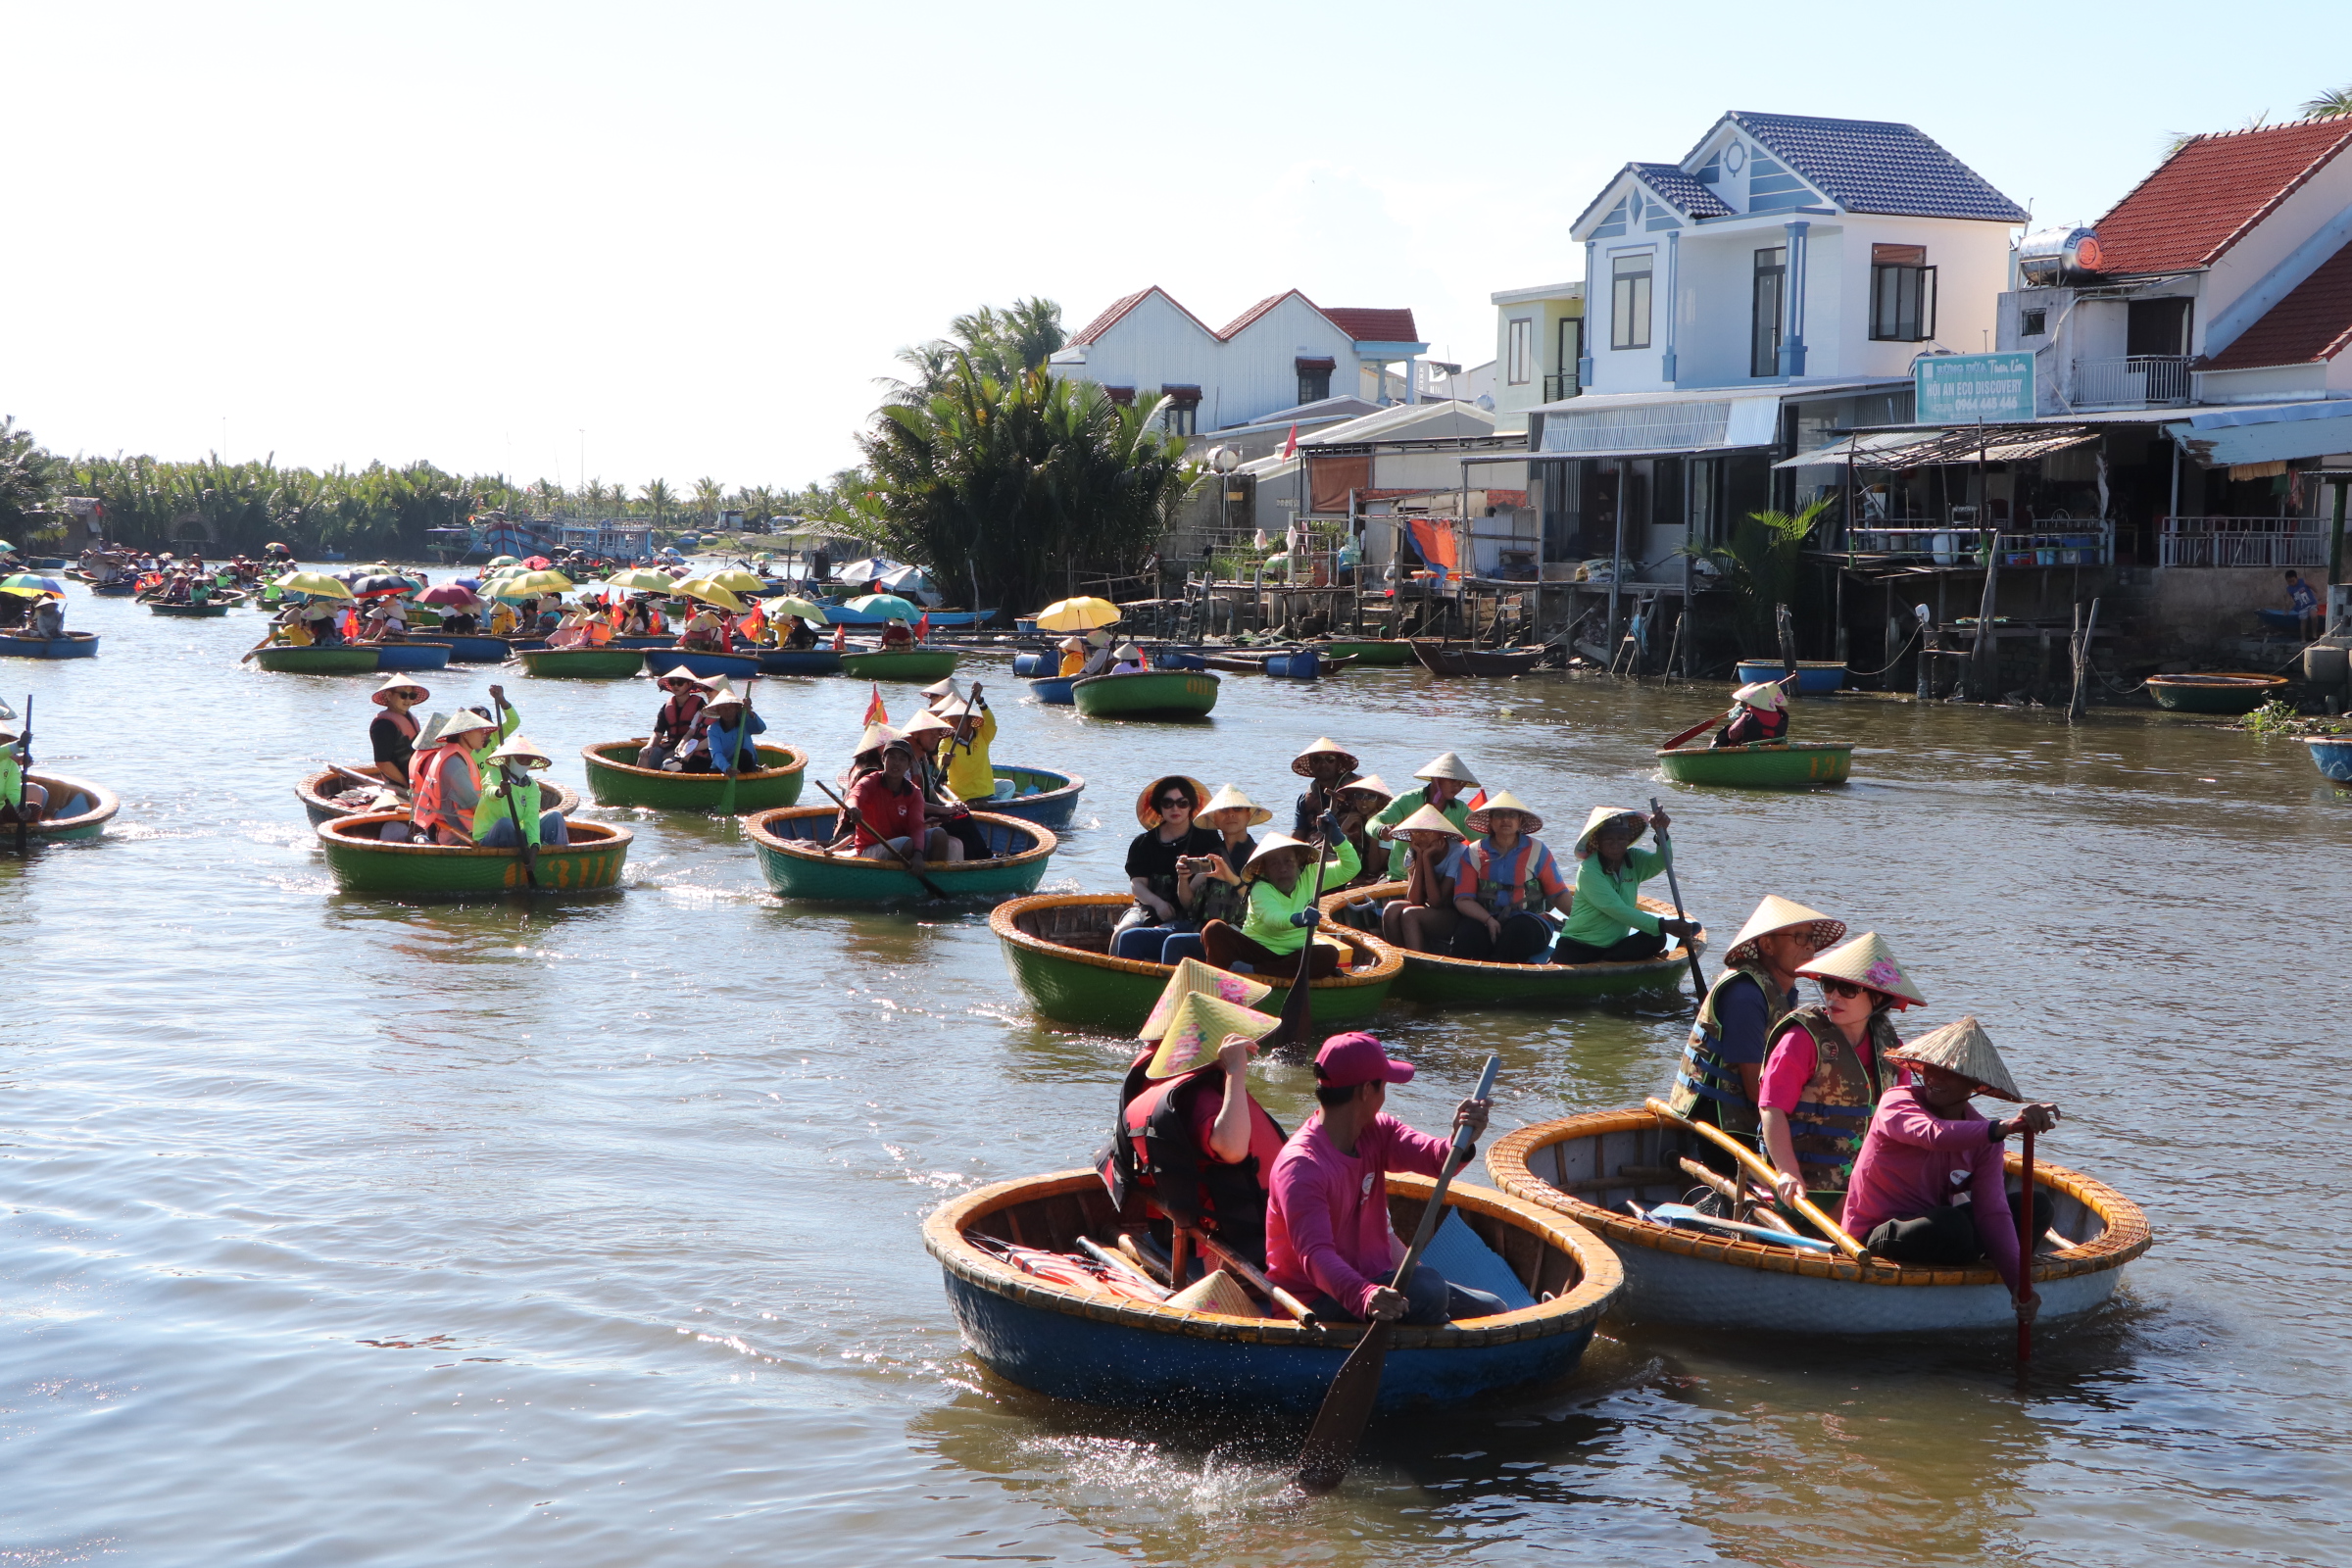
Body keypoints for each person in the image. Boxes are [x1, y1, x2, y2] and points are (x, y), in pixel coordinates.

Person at [1264, 1032, 1504, 1326]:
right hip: (1318, 1301)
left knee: (1494, 1307)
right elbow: (1315, 1257)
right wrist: (1366, 1296)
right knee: (1428, 1289)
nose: (1385, 1095)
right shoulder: (1301, 1166)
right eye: (1384, 1086)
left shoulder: (1377, 1130)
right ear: (1367, 1090)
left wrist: (1461, 1138)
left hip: (1376, 1283)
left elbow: (1436, 1158)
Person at [1843, 1017, 2061, 1314]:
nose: (1935, 1078)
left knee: (2036, 1205)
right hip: (1877, 1233)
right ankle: (1967, 1266)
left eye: (1950, 1072)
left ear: (1974, 1084)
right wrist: (2009, 1125)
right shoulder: (1897, 1101)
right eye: (1931, 1068)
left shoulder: (1986, 1137)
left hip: (1939, 1230)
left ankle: (1995, 1285)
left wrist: (2019, 1286)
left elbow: (1993, 1213)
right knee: (1951, 1226)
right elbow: (1933, 1135)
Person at [1098, 997, 1289, 1270]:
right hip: (1228, 1240)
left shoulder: (1155, 1079)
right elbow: (1232, 1149)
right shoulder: (1199, 1097)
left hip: (1167, 1224)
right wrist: (1235, 1071)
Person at [1756, 932, 1926, 1213]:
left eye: (1847, 989)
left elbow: (1904, 1116)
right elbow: (1771, 1109)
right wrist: (1787, 1171)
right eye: (1829, 985)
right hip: (1807, 1188)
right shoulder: (1802, 1039)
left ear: (1877, 997)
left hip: (1867, 1182)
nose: (1833, 995)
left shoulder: (1889, 1045)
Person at [1667, 896, 1846, 1141]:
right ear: (1768, 946)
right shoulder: (1746, 996)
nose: (1809, 947)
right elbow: (1754, 1088)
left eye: (1812, 938)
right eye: (1799, 937)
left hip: (1749, 1117)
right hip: (1716, 1125)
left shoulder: (1784, 990)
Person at [1200, 823, 1357, 979]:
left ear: (1298, 861)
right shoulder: (1260, 888)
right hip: (1257, 951)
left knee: (1329, 954)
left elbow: (1351, 867)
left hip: (1295, 955)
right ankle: (1227, 978)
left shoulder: (1311, 874)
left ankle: (1255, 971)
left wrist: (1336, 837)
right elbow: (1272, 918)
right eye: (1274, 863)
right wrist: (1298, 918)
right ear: (1265, 869)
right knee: (1213, 929)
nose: (1282, 868)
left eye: (1288, 861)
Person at [1551, 807, 1698, 965]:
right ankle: (1605, 965)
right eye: (1609, 840)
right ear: (1598, 841)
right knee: (1659, 928)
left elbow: (1662, 862)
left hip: (1614, 948)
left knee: (1656, 936)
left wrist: (1661, 833)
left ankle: (1609, 963)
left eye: (1621, 838)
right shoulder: (1589, 870)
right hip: (1578, 948)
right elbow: (1616, 909)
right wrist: (1664, 924)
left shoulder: (1634, 859)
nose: (1616, 845)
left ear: (1628, 840)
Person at [1448, 791, 1570, 963]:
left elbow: (1558, 894)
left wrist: (1581, 920)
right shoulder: (1474, 852)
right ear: (1490, 821)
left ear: (1520, 821)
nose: (1505, 820)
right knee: (1467, 933)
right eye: (1499, 815)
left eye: (1512, 815)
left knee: (1518, 929)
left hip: (1530, 922)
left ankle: (1500, 975)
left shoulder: (1537, 850)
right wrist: (1488, 920)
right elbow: (1463, 899)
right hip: (1486, 918)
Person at [1156, 785, 1268, 967]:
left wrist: (1232, 879)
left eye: (1238, 809)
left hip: (1238, 935)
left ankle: (1173, 993)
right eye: (1223, 811)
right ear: (1215, 819)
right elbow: (1188, 902)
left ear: (1249, 815)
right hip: (1200, 928)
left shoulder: (1260, 857)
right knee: (1132, 937)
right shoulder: (1214, 854)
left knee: (1175, 943)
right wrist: (1183, 879)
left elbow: (1263, 906)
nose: (1231, 814)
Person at [1112, 776, 1220, 959]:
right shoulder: (1143, 843)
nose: (1175, 808)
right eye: (1168, 803)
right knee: (1121, 933)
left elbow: (1211, 873)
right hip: (1148, 907)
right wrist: (1157, 903)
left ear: (1191, 806)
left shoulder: (1208, 839)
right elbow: (1137, 884)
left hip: (1192, 910)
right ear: (1159, 806)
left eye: (1182, 803)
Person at [847, 736, 961, 863]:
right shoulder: (869, 781)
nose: (896, 763)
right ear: (883, 759)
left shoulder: (913, 793)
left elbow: (916, 826)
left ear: (908, 765)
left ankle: (935, 876)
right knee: (907, 843)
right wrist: (853, 808)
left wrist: (918, 854)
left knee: (939, 834)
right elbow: (854, 797)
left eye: (902, 759)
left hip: (904, 844)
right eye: (892, 757)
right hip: (870, 848)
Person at [1368, 752, 1478, 880]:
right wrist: (1380, 829)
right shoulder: (1408, 800)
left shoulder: (1460, 809)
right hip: (1400, 877)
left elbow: (1481, 840)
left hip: (1439, 879)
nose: (1458, 787)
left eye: (1462, 783)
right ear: (1436, 779)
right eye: (1453, 780)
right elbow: (1374, 821)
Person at [1378, 804, 1470, 954]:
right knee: (1391, 909)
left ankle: (1418, 962)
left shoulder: (1458, 853)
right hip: (1428, 910)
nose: (1420, 837)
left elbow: (1436, 901)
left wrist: (1426, 858)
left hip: (1453, 915)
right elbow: (1414, 899)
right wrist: (1420, 856)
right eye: (1416, 832)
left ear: (1440, 834)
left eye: (1427, 832)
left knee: (1410, 915)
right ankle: (1399, 958)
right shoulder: (1414, 850)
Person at [408, 710, 501, 846]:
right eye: (479, 730)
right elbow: (474, 805)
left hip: (453, 827)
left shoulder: (451, 755)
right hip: (462, 834)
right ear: (465, 733)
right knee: (509, 827)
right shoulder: (455, 764)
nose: (484, 734)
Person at [473, 734, 572, 849]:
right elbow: (490, 791)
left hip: (517, 835)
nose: (524, 763)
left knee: (555, 817)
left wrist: (534, 845)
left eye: (528, 760)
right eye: (520, 759)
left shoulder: (531, 786)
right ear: (509, 759)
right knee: (505, 823)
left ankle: (559, 855)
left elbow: (531, 818)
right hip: (490, 836)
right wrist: (500, 791)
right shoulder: (494, 774)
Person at [673, 688, 766, 773]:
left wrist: (749, 711)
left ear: (736, 709)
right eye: (723, 708)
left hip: (745, 764)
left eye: (731, 707)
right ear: (718, 712)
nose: (728, 711)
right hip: (723, 767)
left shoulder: (744, 721)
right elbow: (716, 753)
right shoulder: (713, 729)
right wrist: (727, 768)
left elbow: (761, 729)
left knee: (744, 755)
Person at [368, 674, 430, 789]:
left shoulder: (410, 717)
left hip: (418, 780)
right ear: (389, 695)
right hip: (400, 785)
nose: (407, 700)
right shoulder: (383, 725)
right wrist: (407, 784)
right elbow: (383, 762)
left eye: (412, 695)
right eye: (403, 695)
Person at [1330, 775, 1394, 888]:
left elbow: (1374, 868)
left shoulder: (1386, 825)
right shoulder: (1348, 818)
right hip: (1350, 871)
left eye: (1371, 797)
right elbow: (1332, 853)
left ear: (1379, 801)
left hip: (1380, 874)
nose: (1364, 801)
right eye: (1359, 796)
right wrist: (1344, 828)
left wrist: (1374, 834)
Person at [1289, 738, 1358, 838]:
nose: (1323, 764)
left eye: (1330, 759)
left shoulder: (1359, 791)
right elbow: (1297, 833)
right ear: (1311, 765)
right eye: (1317, 759)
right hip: (1315, 849)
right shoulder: (1305, 799)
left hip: (1350, 848)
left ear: (1338, 763)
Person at [637, 672, 709, 769]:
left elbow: (696, 732)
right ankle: (642, 781)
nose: (675, 686)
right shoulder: (667, 706)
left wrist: (682, 748)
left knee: (666, 760)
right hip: (670, 744)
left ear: (689, 684)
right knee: (645, 754)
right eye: (672, 682)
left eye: (680, 682)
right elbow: (658, 733)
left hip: (688, 747)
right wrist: (649, 746)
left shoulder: (700, 705)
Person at [0, 716, 49, 826]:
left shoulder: (11, 764)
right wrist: (18, 745)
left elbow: (12, 789)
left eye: (3, 739)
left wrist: (19, 806)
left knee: (32, 809)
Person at [1714, 682, 1790, 749]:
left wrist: (1737, 719)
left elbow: (1732, 735)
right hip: (1770, 749)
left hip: (1748, 750)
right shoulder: (1779, 715)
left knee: (1722, 736)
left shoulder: (1748, 715)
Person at [2287, 569, 2324, 638]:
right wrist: (2287, 610)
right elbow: (2288, 599)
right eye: (2289, 582)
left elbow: (2312, 586)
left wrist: (2318, 593)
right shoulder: (2289, 589)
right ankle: (2303, 638)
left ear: (2296, 578)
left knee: (2314, 616)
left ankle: (2314, 634)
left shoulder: (2302, 581)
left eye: (2293, 581)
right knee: (2303, 621)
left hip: (2311, 603)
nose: (2291, 583)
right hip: (2301, 607)